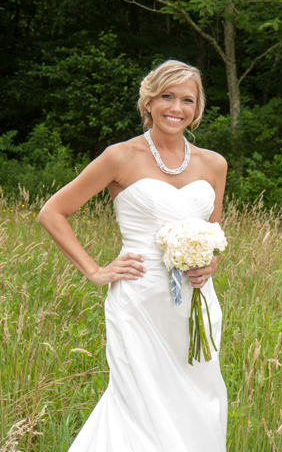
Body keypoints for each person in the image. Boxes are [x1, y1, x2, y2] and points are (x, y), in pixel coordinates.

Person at [38, 60, 228, 451]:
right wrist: (94, 270)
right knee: (139, 403)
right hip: (140, 300)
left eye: (187, 100)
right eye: (167, 97)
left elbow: (213, 235)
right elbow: (52, 212)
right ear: (149, 101)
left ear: (197, 108)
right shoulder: (120, 157)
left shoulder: (214, 164)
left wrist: (209, 264)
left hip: (196, 303)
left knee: (200, 398)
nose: (176, 107)